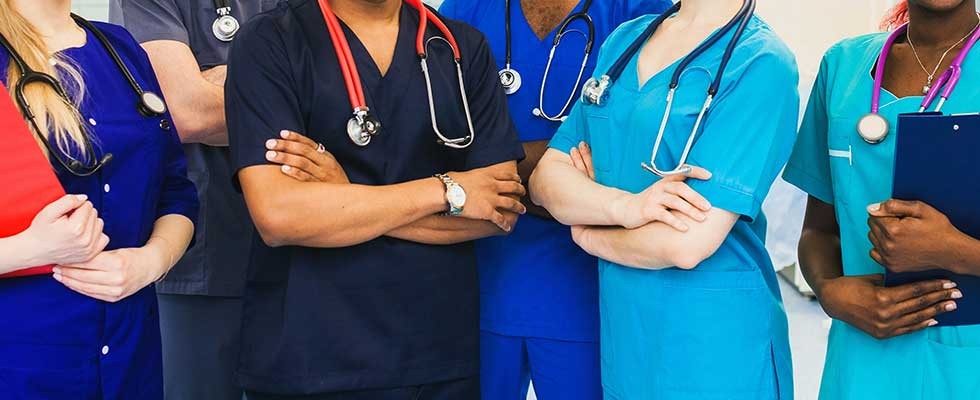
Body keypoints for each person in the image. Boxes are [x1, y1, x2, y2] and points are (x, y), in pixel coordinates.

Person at [224, 0, 526, 398]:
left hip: (439, 357)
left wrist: (343, 196)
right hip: (312, 356)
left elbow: (498, 208)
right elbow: (279, 216)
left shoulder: (459, 47)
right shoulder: (271, 41)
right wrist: (447, 190)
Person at [530, 0, 800, 398]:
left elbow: (686, 243)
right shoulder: (625, 41)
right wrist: (627, 208)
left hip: (714, 349)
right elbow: (544, 180)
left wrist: (589, 233)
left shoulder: (761, 63)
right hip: (627, 340)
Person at [434, 0, 670, 398]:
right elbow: (425, 143)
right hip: (474, 291)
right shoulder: (464, 8)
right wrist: (563, 173)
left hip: (591, 298)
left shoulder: (640, 11)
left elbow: (637, 159)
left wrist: (482, 167)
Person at [0, 0, 197, 398]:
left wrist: (151, 261)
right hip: (23, 362)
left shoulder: (120, 49)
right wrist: (29, 249)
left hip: (131, 354)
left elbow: (176, 193)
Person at [784, 0, 980, 398]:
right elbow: (819, 231)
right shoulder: (842, 67)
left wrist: (954, 251)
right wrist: (828, 290)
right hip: (861, 362)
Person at [107, 1, 276, 398]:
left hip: (315, 246)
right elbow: (187, 113)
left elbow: (338, 103)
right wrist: (280, 90)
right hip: (206, 247)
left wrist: (221, 84)